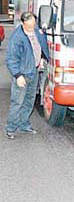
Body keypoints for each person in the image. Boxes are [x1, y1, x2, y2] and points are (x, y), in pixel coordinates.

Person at [5, 11, 50, 139]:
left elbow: (40, 45)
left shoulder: (37, 31)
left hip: (34, 71)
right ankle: (11, 128)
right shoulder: (17, 37)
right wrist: (18, 75)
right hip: (22, 74)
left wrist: (42, 57)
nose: (32, 27)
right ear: (23, 23)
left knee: (29, 101)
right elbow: (11, 59)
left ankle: (24, 125)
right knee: (17, 102)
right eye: (29, 25)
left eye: (34, 24)